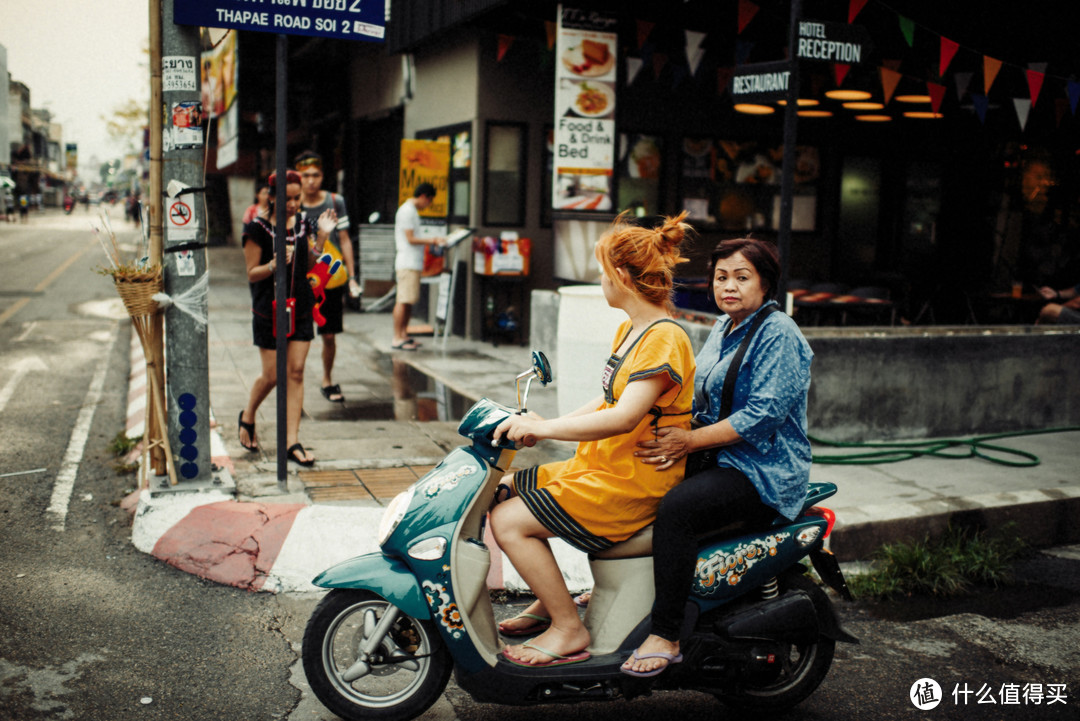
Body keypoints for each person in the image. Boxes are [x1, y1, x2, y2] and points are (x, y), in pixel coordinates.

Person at [489, 211, 697, 669]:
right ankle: (551, 600)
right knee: (501, 490)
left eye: (603, 273)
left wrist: (544, 430)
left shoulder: (665, 338)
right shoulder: (631, 330)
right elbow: (607, 400)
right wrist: (546, 421)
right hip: (601, 467)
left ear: (621, 276)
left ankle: (567, 627)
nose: (600, 281)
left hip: (631, 479)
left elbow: (623, 418)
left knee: (508, 522)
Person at [622, 236, 814, 677]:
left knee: (678, 509)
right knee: (634, 477)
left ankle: (666, 633)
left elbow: (762, 415)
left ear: (765, 284)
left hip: (762, 468)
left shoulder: (779, 333)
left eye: (742, 277)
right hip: (717, 456)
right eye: (721, 277)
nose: (729, 286)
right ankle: (620, 594)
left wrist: (687, 442)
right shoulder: (722, 328)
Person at [237, 169, 336, 466]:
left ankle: (292, 441)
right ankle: (248, 414)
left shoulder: (303, 222)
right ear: (272, 196)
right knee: (273, 375)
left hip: (301, 305)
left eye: (297, 198)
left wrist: (322, 236)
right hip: (269, 308)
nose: (293, 204)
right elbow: (252, 273)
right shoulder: (256, 229)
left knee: (295, 371)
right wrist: (273, 264)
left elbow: (309, 261)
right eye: (287, 198)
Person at [294, 151, 361, 402]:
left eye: (316, 175)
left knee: (329, 333)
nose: (311, 180)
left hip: (330, 277)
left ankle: (327, 379)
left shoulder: (335, 200)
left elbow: (344, 239)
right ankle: (293, 379)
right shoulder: (293, 201)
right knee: (297, 333)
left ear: (322, 176)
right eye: (306, 175)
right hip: (300, 277)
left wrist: (352, 276)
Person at [392, 183, 445, 350]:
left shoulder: (411, 211)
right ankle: (397, 337)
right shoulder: (407, 211)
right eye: (429, 201)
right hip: (407, 261)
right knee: (403, 300)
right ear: (424, 196)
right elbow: (410, 238)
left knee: (408, 301)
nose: (428, 205)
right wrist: (432, 240)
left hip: (412, 261)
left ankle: (404, 335)